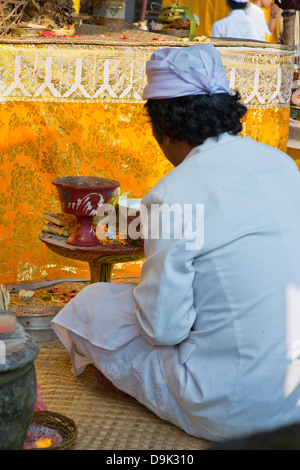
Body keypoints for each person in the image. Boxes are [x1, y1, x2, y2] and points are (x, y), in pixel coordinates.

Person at [52, 43, 300, 443]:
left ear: (162, 130)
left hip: (233, 406)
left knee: (92, 305)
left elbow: (163, 330)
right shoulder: (283, 164)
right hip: (294, 397)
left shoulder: (176, 192)